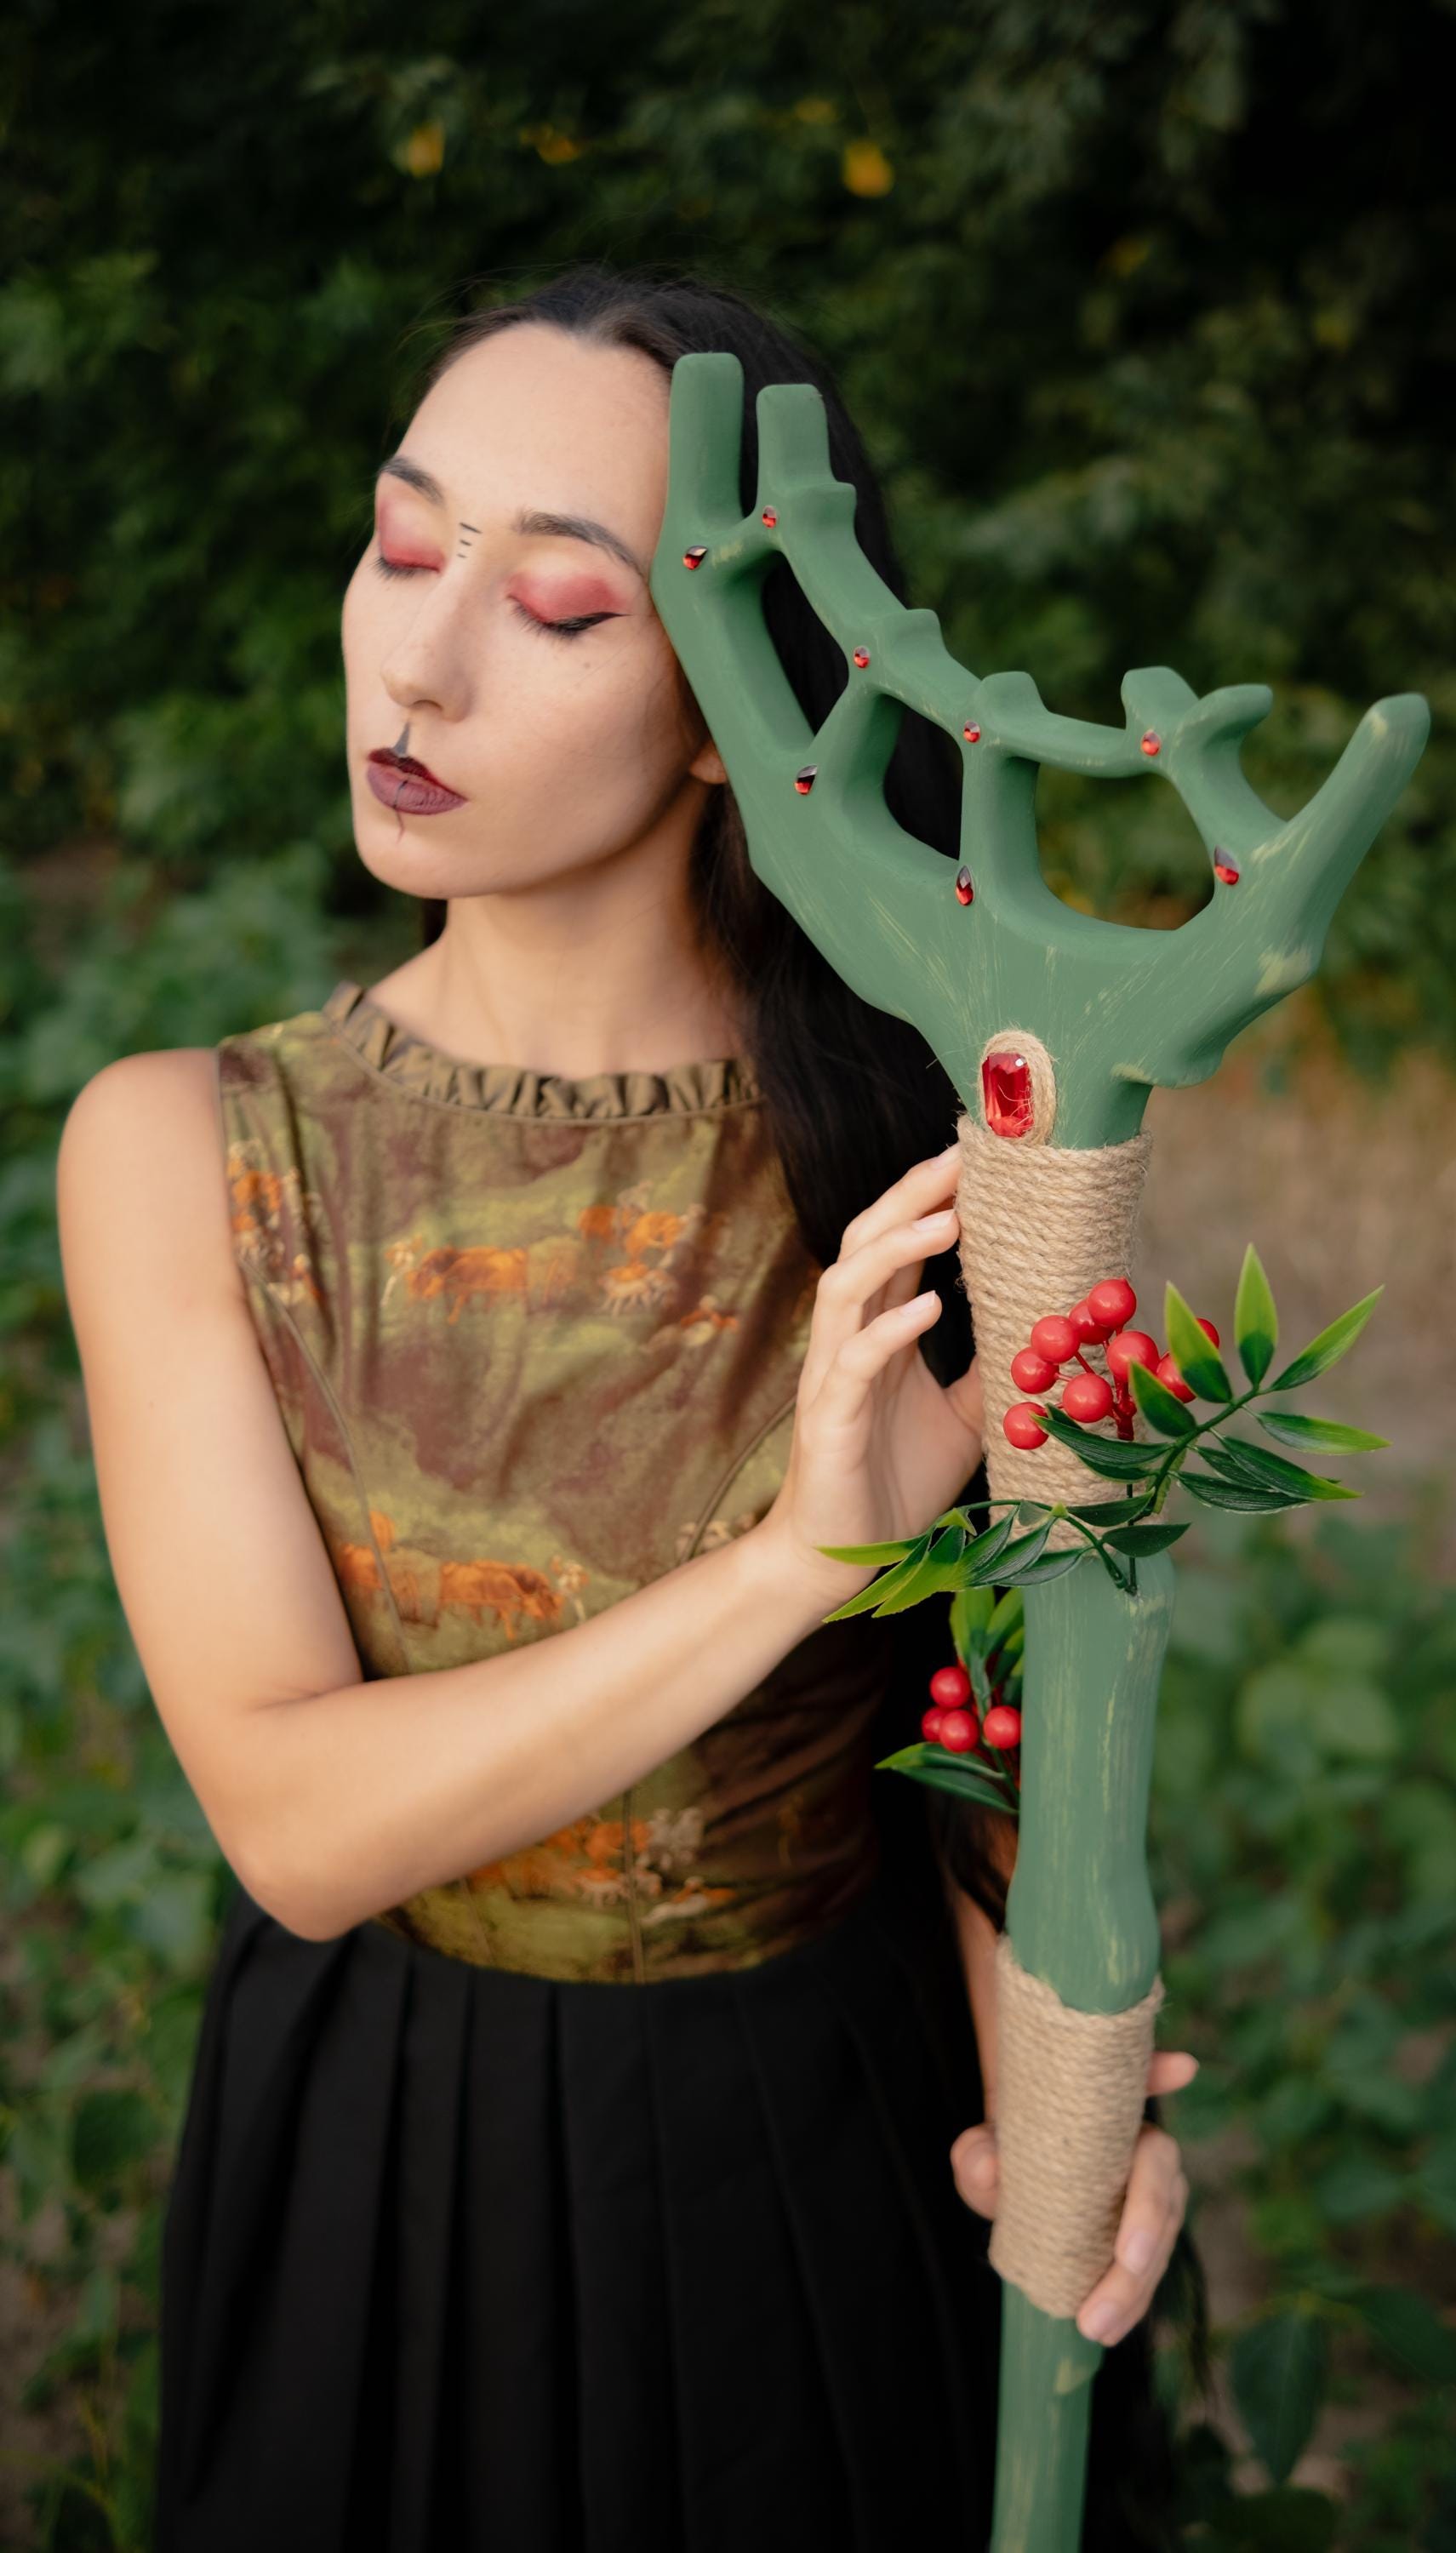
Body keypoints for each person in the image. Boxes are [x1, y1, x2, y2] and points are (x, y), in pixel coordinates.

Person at [54, 262, 1196, 2552]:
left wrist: (1061, 2114)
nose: (422, 655)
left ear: (728, 713)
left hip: (822, 2138)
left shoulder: (958, 1153)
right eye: (401, 546)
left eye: (558, 602)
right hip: (392, 2142)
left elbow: (994, 1742)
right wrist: (794, 1564)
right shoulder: (186, 1144)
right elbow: (293, 1816)